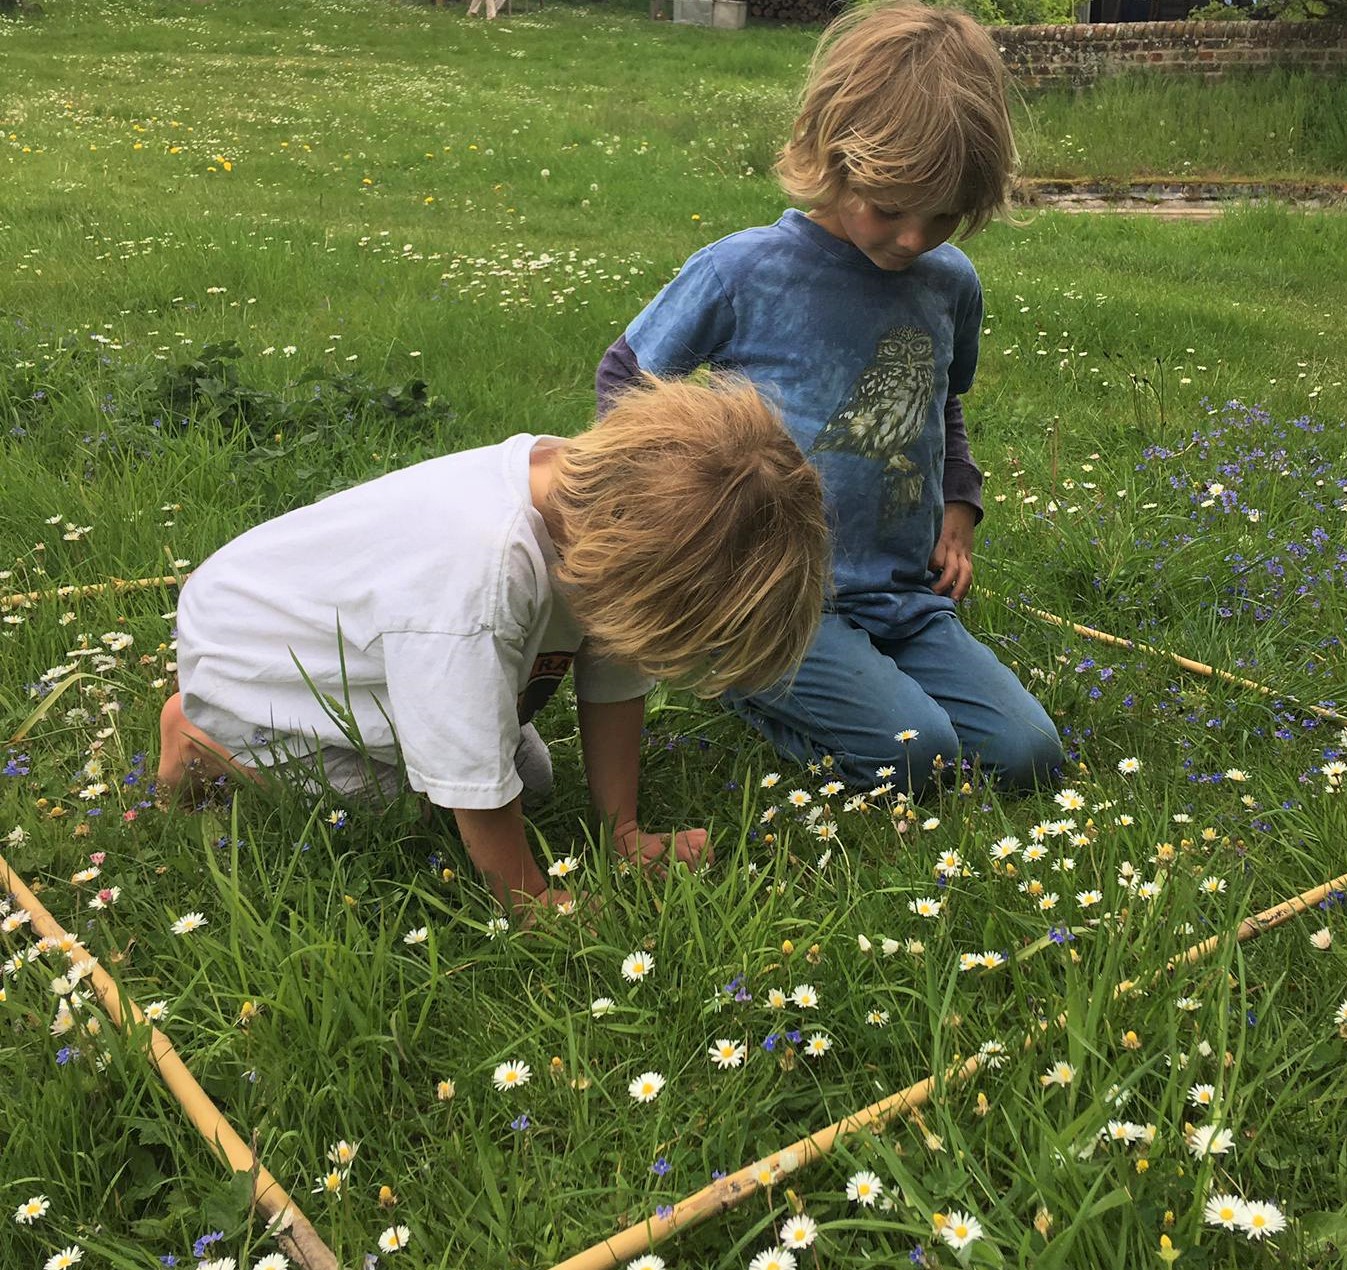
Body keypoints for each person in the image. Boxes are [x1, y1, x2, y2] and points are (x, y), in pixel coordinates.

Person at [597, 1, 1061, 796]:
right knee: (916, 756)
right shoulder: (743, 271)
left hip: (900, 592)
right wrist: (677, 537)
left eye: (943, 215)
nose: (913, 238)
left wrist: (959, 503)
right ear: (831, 156)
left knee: (1027, 757)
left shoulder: (949, 285)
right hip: (773, 593)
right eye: (888, 207)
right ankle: (735, 670)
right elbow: (625, 384)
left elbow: (938, 402)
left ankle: (862, 682)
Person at [157, 376, 828, 915]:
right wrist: (528, 896)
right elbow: (465, 762)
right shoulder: (477, 577)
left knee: (527, 783)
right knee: (419, 801)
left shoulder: (612, 502)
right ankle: (206, 737)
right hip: (257, 659)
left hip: (368, 634)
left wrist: (621, 833)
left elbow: (616, 674)